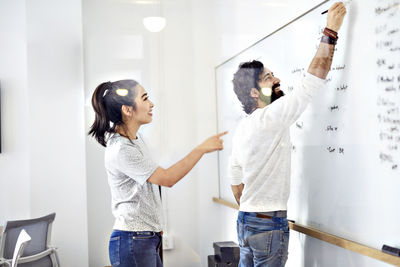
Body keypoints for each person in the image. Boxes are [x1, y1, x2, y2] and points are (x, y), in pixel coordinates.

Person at [228, 3, 347, 267]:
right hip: (268, 224)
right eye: (268, 78)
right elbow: (312, 80)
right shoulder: (271, 117)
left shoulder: (244, 127)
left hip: (246, 221)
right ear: (254, 94)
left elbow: (235, 179)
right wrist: (331, 31)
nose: (277, 79)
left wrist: (253, 206)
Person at [88, 79, 227, 267]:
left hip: (144, 238)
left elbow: (149, 185)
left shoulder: (135, 140)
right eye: (145, 98)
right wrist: (200, 149)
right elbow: (167, 178)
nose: (151, 104)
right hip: (133, 240)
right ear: (127, 110)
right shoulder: (121, 149)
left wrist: (156, 226)